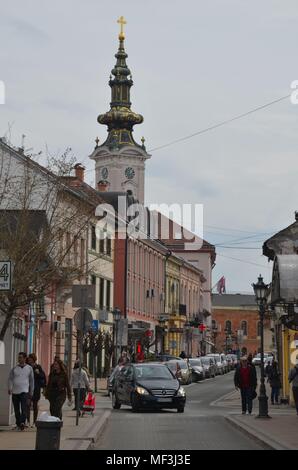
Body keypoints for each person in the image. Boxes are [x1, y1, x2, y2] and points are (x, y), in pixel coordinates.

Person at [8, 352, 34, 431]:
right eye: (18, 357)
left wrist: (31, 392)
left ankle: (22, 422)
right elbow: (10, 379)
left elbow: (31, 381)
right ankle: (18, 423)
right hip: (15, 392)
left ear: (25, 358)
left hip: (24, 391)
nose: (19, 359)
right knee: (16, 409)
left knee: (24, 408)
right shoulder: (14, 368)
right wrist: (10, 388)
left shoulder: (29, 368)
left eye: (21, 357)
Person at [26, 353, 47, 426]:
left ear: (34, 359)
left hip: (36, 388)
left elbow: (43, 377)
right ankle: (28, 421)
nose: (30, 360)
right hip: (27, 388)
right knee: (27, 405)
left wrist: (38, 373)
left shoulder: (38, 367)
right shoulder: (26, 367)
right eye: (29, 359)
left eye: (31, 359)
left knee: (35, 405)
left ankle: (34, 421)